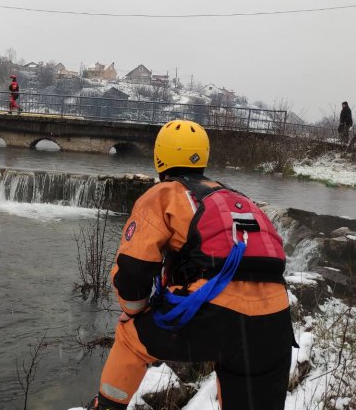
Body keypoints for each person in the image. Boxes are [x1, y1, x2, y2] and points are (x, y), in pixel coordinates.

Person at [87, 119, 294, 410]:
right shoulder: (240, 198)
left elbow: (133, 270)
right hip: (275, 320)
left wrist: (136, 311)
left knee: (130, 338)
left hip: (215, 316)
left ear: (160, 156)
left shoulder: (163, 194)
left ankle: (106, 407)